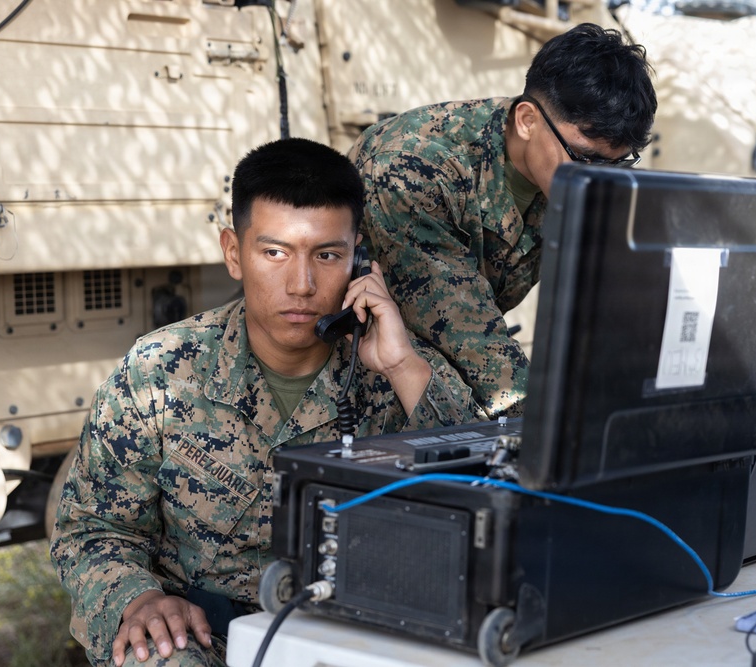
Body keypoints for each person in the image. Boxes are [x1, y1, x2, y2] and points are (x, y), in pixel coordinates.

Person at [50, 138, 482, 667]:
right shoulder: (159, 370)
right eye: (275, 253)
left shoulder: (397, 370)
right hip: (203, 638)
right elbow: (93, 528)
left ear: (359, 259)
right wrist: (138, 599)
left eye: (327, 255)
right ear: (234, 253)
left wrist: (401, 366)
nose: (302, 285)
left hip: (354, 635)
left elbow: (488, 503)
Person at [348, 23, 657, 418]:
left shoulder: (567, 166)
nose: (599, 178)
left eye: (616, 163)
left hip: (450, 361)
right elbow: (469, 340)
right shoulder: (412, 167)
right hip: (358, 377)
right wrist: (553, 429)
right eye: (585, 158)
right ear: (527, 120)